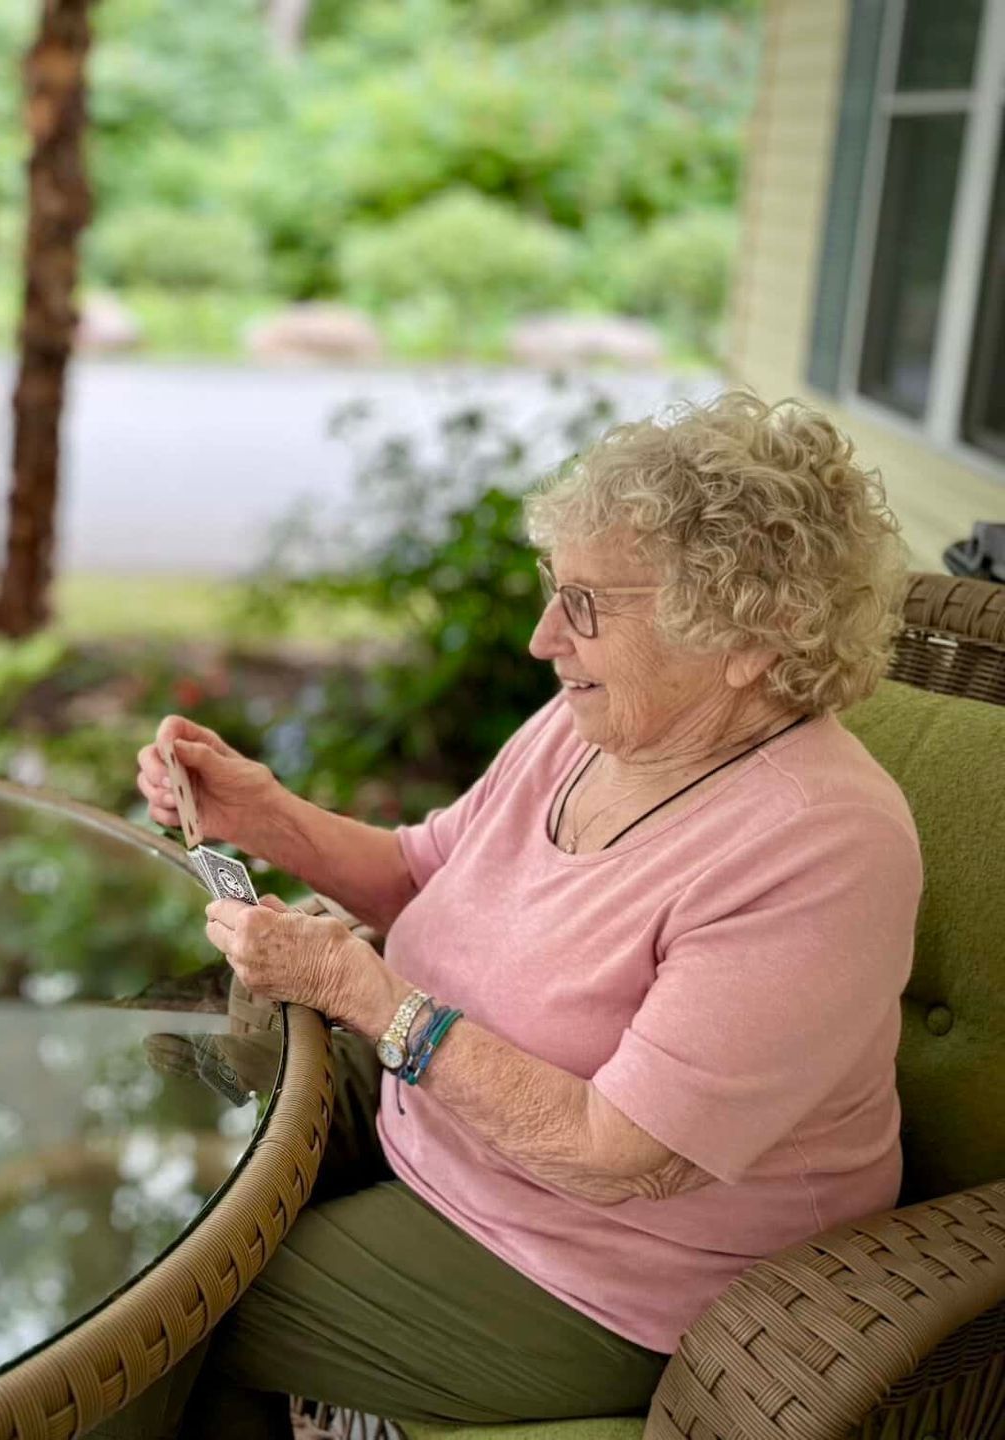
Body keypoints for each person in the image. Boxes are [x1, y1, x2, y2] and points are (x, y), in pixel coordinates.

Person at [117, 391, 920, 1435]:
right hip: (438, 1123)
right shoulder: (599, 723)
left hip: (599, 1266)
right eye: (555, 589)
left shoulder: (821, 846)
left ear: (748, 637)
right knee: (148, 1094)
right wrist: (263, 814)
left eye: (586, 605)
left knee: (168, 1307)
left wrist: (362, 993)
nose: (545, 638)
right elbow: (426, 875)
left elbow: (620, 1153)